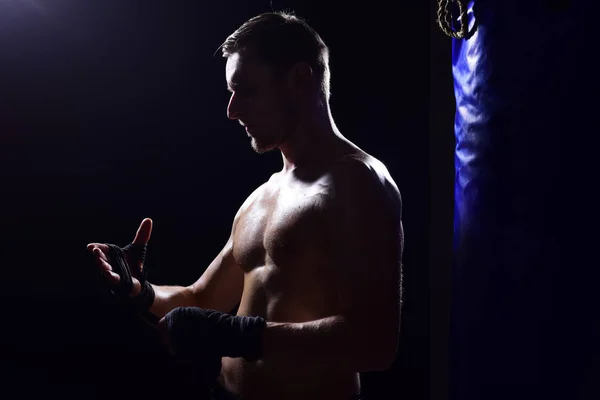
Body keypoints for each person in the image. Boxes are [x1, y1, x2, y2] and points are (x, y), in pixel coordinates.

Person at [87, 11, 404, 400]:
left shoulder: (357, 184)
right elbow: (200, 300)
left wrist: (233, 334)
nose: (232, 110)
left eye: (247, 90)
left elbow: (374, 343)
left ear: (299, 79)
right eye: (230, 93)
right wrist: (138, 290)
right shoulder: (263, 196)